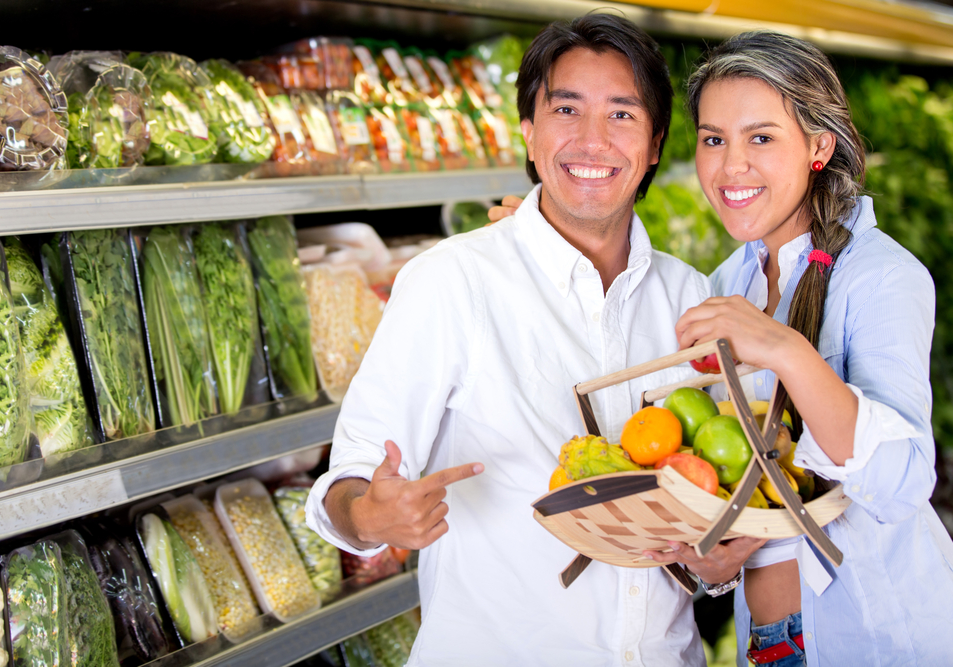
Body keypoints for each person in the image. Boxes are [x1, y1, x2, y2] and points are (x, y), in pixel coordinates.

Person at [492, 30, 953, 667]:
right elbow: (731, 469)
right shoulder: (727, 282)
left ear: (819, 146)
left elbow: (904, 480)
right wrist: (715, 558)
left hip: (878, 635)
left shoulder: (881, 276)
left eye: (761, 138)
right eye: (714, 139)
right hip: (768, 644)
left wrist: (787, 350)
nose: (730, 166)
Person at [305, 13, 712, 666]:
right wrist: (370, 515)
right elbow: (347, 484)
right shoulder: (452, 281)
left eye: (622, 115)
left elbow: (715, 505)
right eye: (567, 110)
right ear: (529, 132)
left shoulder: (692, 300)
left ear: (656, 143)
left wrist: (719, 554)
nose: (591, 140)